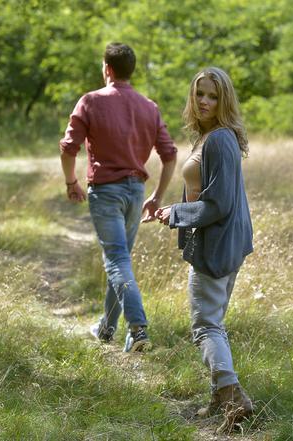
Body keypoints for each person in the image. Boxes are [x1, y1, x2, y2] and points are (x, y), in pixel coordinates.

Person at [59, 42, 177, 352]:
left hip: (106, 193)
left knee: (116, 261)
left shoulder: (91, 101)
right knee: (121, 259)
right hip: (136, 193)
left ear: (107, 69)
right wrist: (157, 196)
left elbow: (68, 147)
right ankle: (107, 328)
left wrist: (71, 182)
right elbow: (170, 156)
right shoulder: (149, 107)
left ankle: (138, 329)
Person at [154, 67, 254, 432]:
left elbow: (219, 205)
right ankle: (219, 398)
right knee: (215, 322)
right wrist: (173, 209)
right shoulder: (209, 137)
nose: (205, 101)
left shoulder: (219, 141)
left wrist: (177, 212)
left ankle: (233, 397)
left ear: (224, 99)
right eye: (200, 94)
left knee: (205, 327)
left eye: (213, 96)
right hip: (220, 241)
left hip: (217, 244)